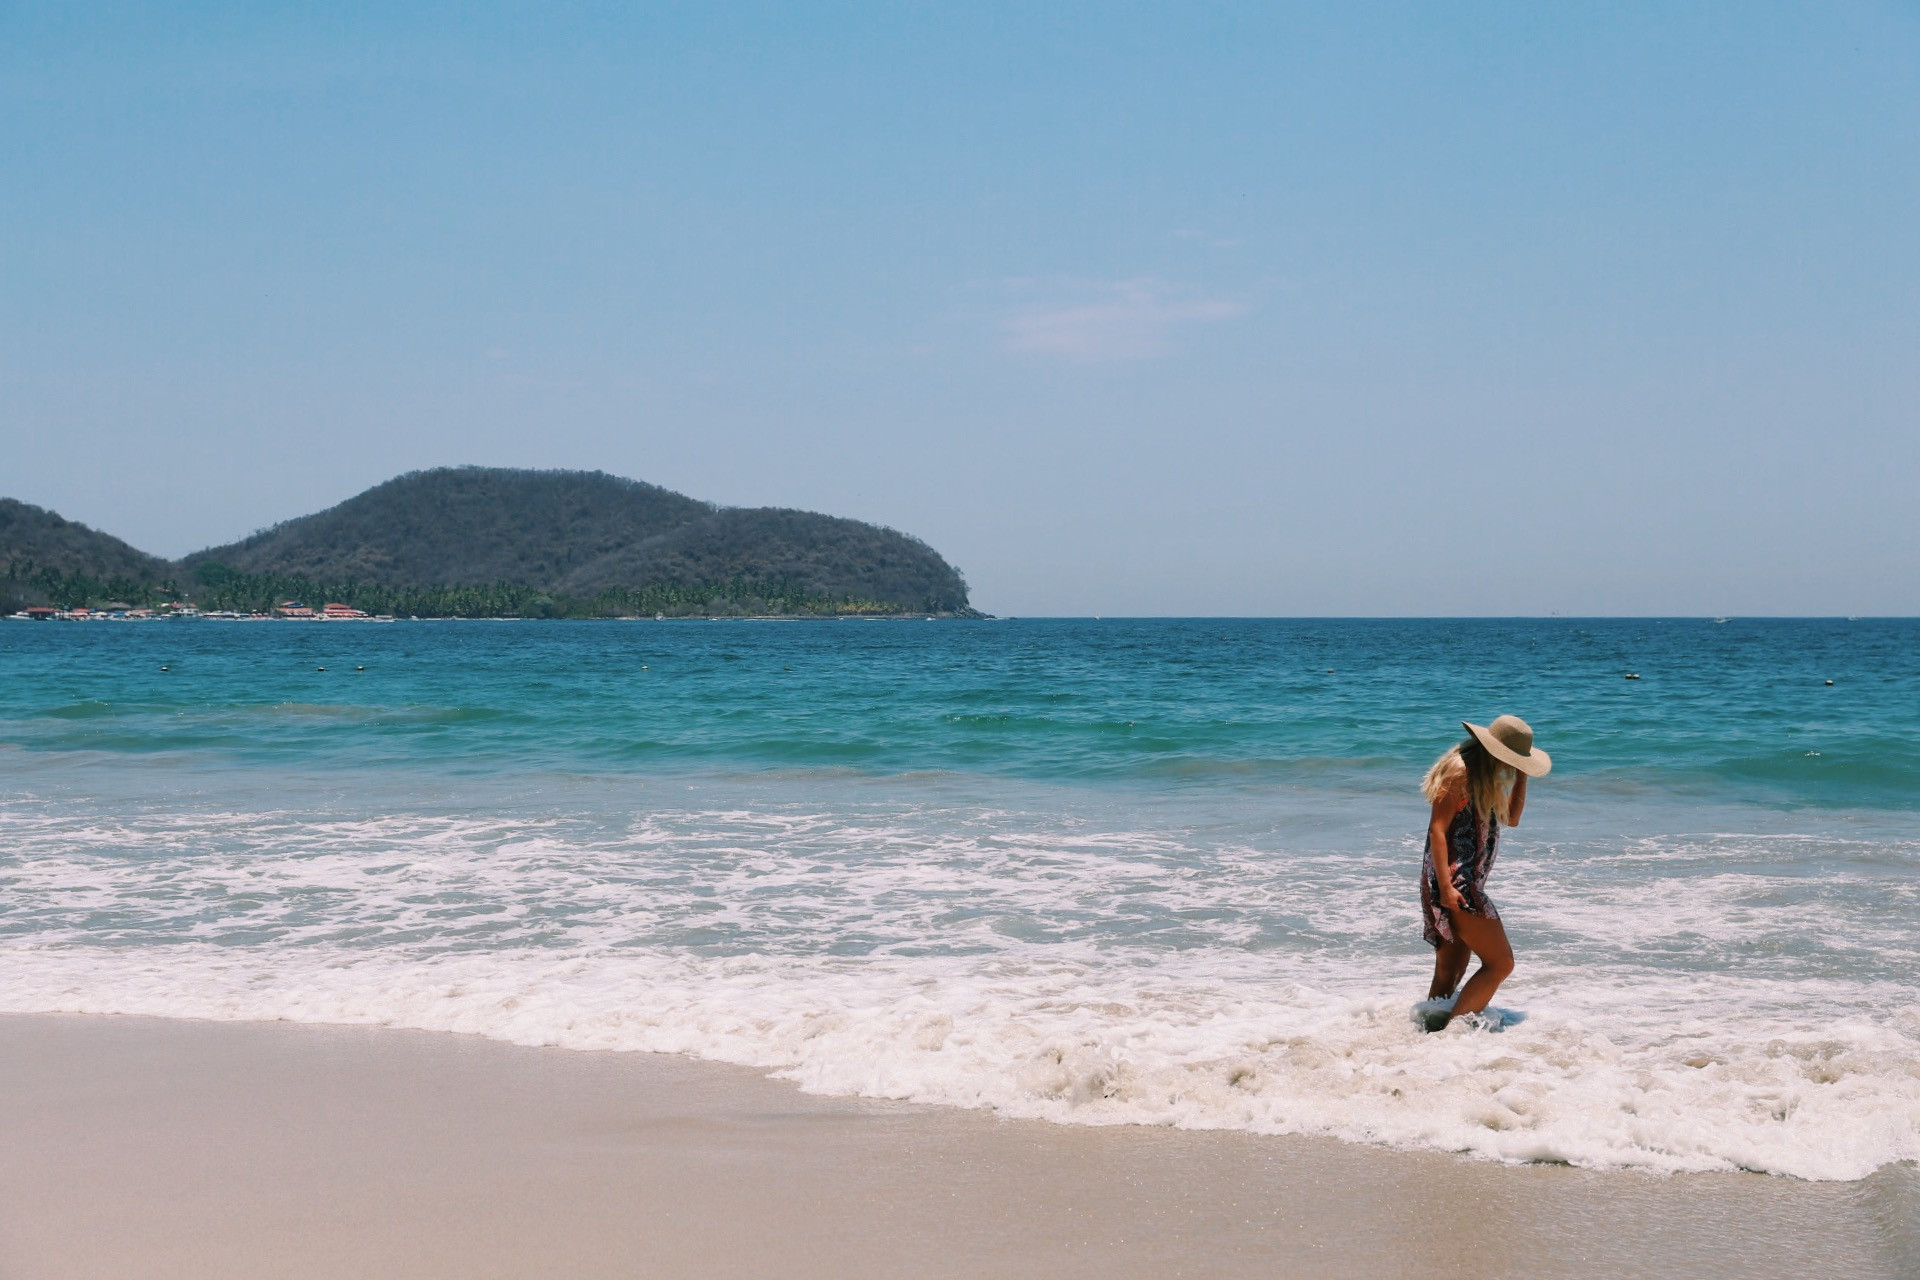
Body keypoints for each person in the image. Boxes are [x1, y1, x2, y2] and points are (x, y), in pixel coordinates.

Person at [1418, 715, 1551, 1032]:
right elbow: (1437, 831)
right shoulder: (1460, 771)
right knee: (1501, 963)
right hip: (1456, 881)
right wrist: (1448, 888)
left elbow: (1513, 818)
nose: (1512, 765)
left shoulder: (1484, 775)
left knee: (1450, 969)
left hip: (1462, 880)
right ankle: (1450, 1038)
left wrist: (1522, 776)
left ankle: (1426, 1035)